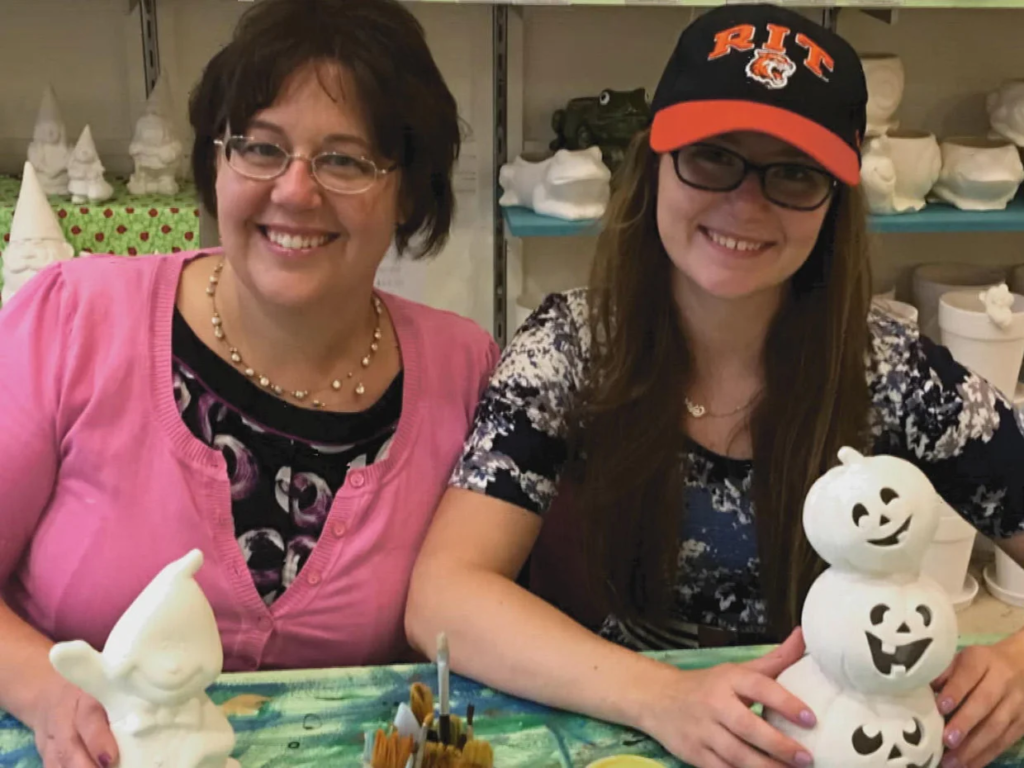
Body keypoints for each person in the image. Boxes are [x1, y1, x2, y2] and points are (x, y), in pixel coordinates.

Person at [407, 5, 1024, 768]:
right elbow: (445, 595)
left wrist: (1018, 666)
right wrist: (659, 695)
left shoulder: (890, 369)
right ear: (653, 165)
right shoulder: (570, 347)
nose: (745, 202)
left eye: (794, 173)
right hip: (627, 728)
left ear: (835, 202)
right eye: (711, 156)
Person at [0, 0, 497, 766]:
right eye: (259, 148)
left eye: (345, 159)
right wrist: (46, 691)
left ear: (408, 192)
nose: (294, 191)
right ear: (215, 162)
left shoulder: (464, 372)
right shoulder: (75, 319)